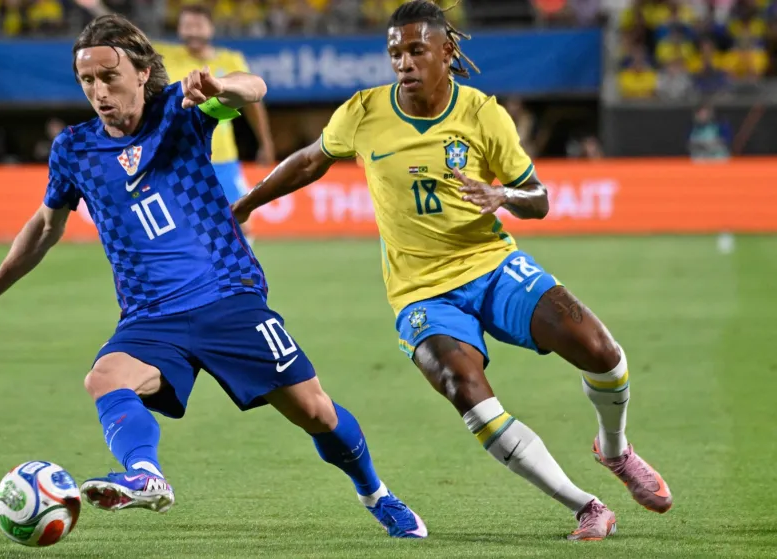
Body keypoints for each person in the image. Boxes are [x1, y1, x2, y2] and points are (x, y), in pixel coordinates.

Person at [0, 14, 426, 539]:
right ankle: (146, 474)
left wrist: (220, 85)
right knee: (105, 378)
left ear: (141, 72)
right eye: (86, 80)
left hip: (227, 297)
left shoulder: (179, 114)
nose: (98, 90)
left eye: (108, 76)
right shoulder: (74, 149)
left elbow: (254, 88)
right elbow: (47, 226)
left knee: (316, 412)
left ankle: (377, 495)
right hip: (150, 315)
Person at [233, 0, 672, 541]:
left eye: (416, 49)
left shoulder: (483, 113)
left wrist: (503, 194)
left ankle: (614, 449)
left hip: (492, 265)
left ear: (447, 51)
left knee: (601, 351)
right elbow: (309, 160)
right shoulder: (364, 112)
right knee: (467, 391)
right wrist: (247, 204)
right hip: (422, 293)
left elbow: (539, 199)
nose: (404, 61)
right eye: (395, 52)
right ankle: (585, 506)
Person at [158, 4, 275, 244]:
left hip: (223, 159)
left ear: (210, 28)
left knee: (242, 224)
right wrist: (96, 6)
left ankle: (242, 276)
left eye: (198, 26)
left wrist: (265, 142)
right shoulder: (165, 57)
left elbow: (254, 104)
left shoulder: (230, 59)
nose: (192, 32)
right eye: (187, 26)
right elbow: (128, 37)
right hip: (179, 159)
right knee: (182, 231)